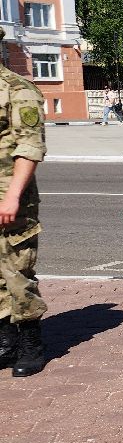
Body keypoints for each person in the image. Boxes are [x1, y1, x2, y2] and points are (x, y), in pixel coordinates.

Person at [0, 62, 49, 376]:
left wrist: (13, 196)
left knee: (17, 272)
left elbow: (29, 147)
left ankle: (31, 346)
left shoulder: (18, 89)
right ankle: (6, 343)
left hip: (8, 194)